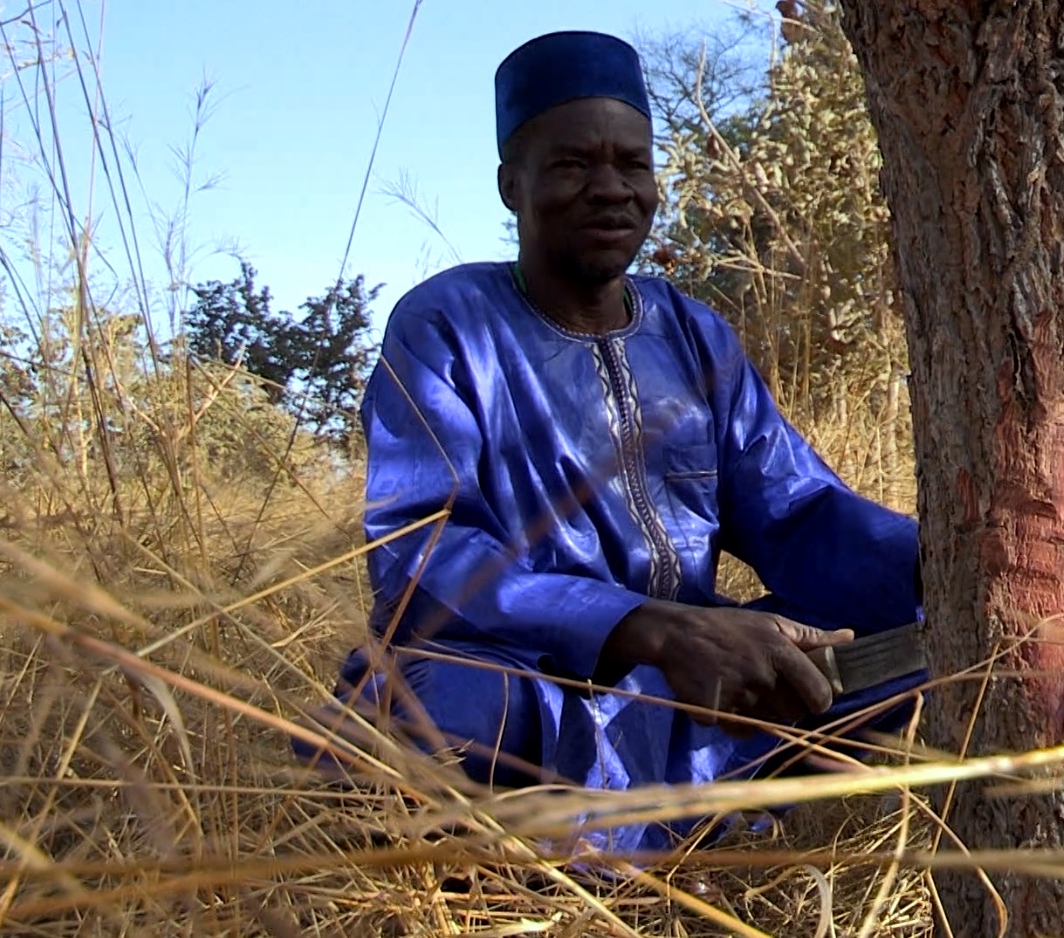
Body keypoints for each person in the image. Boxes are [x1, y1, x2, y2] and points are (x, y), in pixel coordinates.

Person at [310, 30, 926, 854]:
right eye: (572, 165)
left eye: (632, 165)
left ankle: (675, 803)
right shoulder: (446, 324)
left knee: (924, 639)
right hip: (533, 676)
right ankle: (655, 817)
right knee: (444, 710)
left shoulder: (693, 333)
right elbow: (422, 554)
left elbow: (796, 507)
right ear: (511, 185)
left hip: (694, 678)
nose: (611, 190)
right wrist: (639, 625)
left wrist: (940, 561)